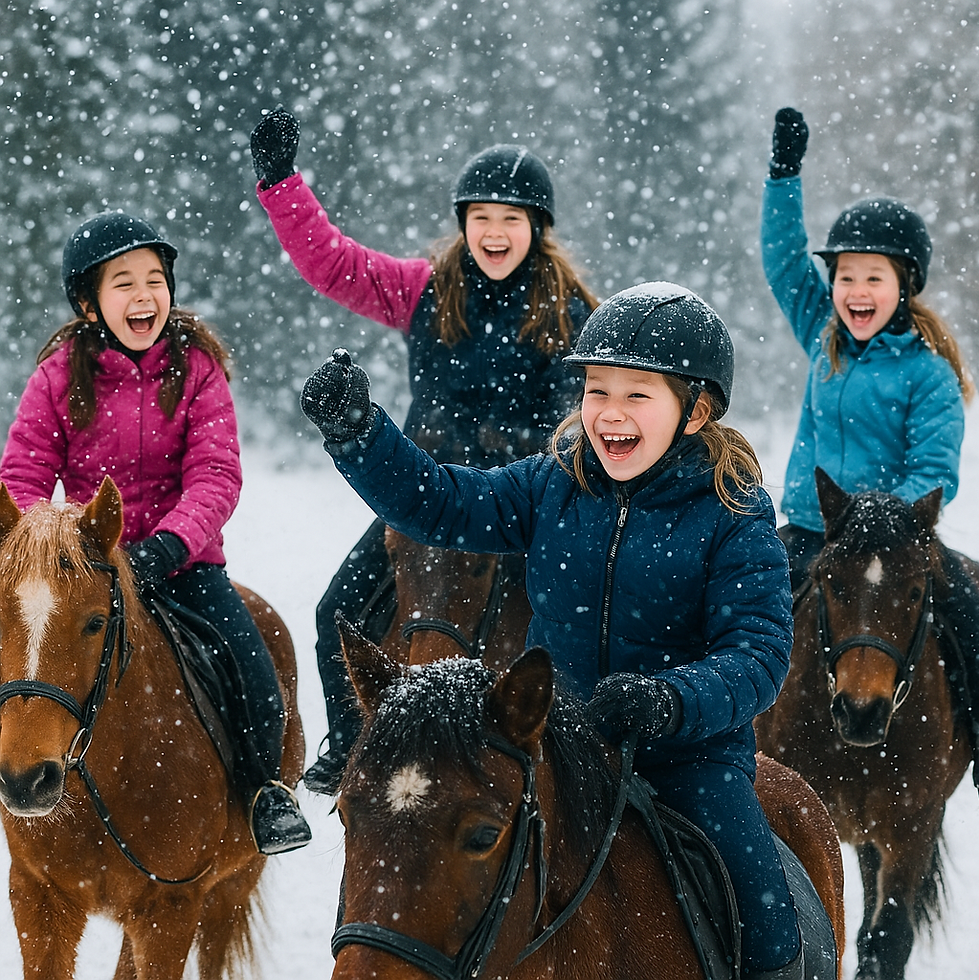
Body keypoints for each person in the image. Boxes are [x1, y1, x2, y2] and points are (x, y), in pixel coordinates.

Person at [300, 282, 805, 980]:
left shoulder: (732, 515)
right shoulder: (552, 484)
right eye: (598, 391)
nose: (611, 412)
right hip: (556, 744)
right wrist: (361, 436)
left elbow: (758, 653)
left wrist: (669, 700)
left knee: (766, 920)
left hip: (687, 755)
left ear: (696, 412)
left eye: (638, 394)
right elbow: (443, 503)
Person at [249, 106, 598, 793]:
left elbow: (578, 420)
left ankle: (570, 760)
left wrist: (518, 452)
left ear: (538, 228)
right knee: (338, 613)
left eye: (511, 218)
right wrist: (281, 183)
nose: (494, 232)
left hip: (520, 508)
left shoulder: (572, 313)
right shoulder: (425, 290)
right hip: (424, 500)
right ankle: (353, 744)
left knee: (574, 630)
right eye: (481, 217)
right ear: (463, 223)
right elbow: (333, 264)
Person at [0, 211, 311, 855]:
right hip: (83, 569)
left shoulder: (198, 370)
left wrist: (169, 545)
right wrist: (50, 546)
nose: (144, 296)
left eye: (154, 280)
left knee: (251, 661)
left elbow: (216, 474)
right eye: (124, 283)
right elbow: (22, 474)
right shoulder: (57, 376)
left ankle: (265, 792)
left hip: (183, 564)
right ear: (90, 305)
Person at [762, 106, 979, 792]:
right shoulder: (822, 335)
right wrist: (783, 176)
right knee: (732, 607)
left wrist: (882, 518)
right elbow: (782, 260)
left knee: (972, 616)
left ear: (904, 286)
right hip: (811, 531)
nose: (856, 291)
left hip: (901, 541)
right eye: (846, 276)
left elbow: (934, 470)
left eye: (873, 277)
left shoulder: (928, 374)